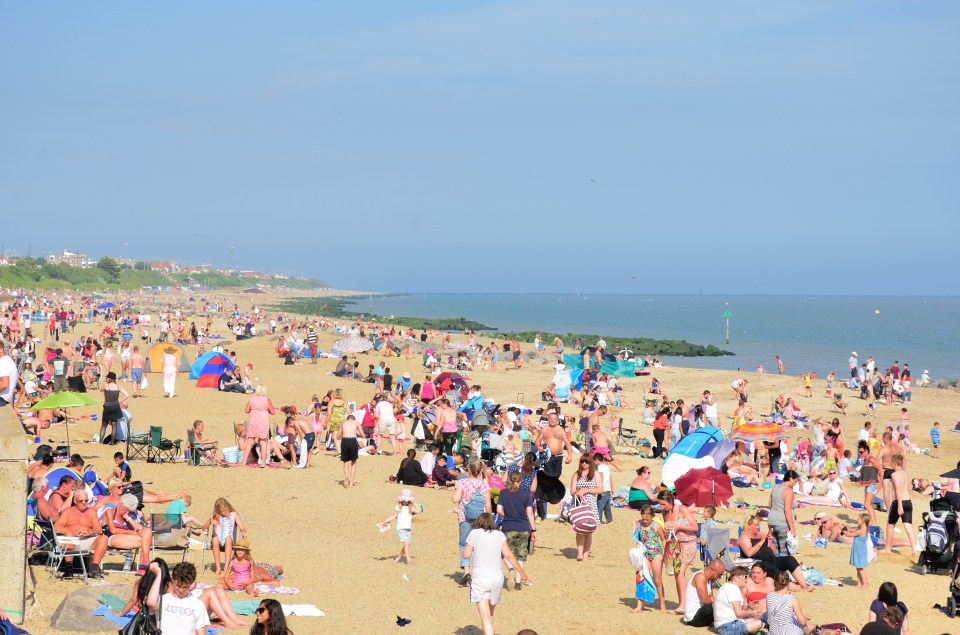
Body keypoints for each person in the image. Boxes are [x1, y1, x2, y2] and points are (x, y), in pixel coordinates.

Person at [461, 512, 531, 635]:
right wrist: (522, 573)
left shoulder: (474, 533)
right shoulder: (499, 535)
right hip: (497, 579)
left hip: (480, 579)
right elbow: (508, 555)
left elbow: (466, 554)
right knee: (490, 614)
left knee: (485, 617)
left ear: (478, 522)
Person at [738, 515, 810, 591]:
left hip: (772, 558)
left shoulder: (762, 534)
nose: (757, 527)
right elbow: (749, 553)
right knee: (777, 572)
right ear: (748, 526)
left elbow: (774, 552)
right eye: (755, 525)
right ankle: (798, 589)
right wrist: (762, 541)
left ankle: (804, 586)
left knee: (790, 560)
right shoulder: (744, 536)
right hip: (759, 562)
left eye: (758, 525)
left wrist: (770, 542)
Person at [453, 457, 491, 586]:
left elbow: (456, 499)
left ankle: (466, 570)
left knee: (464, 544)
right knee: (478, 546)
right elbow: (488, 504)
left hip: (465, 516)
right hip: (481, 517)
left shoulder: (462, 483)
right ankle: (476, 572)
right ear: (481, 470)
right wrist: (489, 518)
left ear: (468, 469)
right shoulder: (484, 484)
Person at [145, 561, 210, 635]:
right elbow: (150, 603)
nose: (181, 590)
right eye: (178, 585)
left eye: (185, 587)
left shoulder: (197, 604)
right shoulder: (164, 600)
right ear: (173, 580)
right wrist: (159, 575)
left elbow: (201, 631)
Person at [496, 471, 535, 591]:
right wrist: (533, 529)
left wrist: (506, 516)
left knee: (505, 554)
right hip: (523, 527)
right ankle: (518, 583)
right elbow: (529, 513)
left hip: (508, 527)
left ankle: (511, 569)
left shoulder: (503, 493)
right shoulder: (525, 494)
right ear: (520, 481)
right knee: (520, 555)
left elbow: (498, 510)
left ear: (508, 480)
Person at [53, 489, 105, 578]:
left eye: (86, 500)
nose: (84, 503)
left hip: (86, 540)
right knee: (69, 535)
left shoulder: (91, 511)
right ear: (75, 501)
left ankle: (93, 570)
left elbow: (99, 530)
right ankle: (69, 569)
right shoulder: (68, 511)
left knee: (104, 538)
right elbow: (56, 527)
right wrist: (72, 532)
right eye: (81, 501)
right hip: (70, 541)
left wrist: (90, 532)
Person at [879, 455, 918, 555]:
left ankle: (887, 549)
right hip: (908, 502)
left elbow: (897, 490)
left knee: (890, 525)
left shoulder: (894, 475)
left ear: (894, 463)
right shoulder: (906, 473)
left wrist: (899, 506)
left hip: (899, 502)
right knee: (908, 527)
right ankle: (914, 549)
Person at [632, 505, 666, 612]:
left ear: (653, 517)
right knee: (641, 578)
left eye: (647, 519)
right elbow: (637, 540)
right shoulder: (639, 525)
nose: (645, 521)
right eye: (643, 519)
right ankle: (639, 605)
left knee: (657, 580)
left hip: (656, 554)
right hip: (644, 554)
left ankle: (662, 605)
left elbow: (663, 539)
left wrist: (666, 554)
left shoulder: (656, 526)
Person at [714, 566, 765, 635]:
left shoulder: (730, 586)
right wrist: (753, 613)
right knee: (759, 623)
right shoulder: (732, 589)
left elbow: (737, 609)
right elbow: (739, 613)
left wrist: (749, 606)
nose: (747, 580)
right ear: (735, 578)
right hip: (727, 627)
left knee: (758, 622)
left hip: (730, 624)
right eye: (745, 577)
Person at [202, 498, 247, 576]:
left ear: (228, 507)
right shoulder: (215, 515)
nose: (222, 513)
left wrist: (243, 531)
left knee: (228, 539)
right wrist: (209, 521)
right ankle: (218, 567)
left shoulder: (233, 514)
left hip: (228, 539)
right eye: (220, 511)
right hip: (217, 539)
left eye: (224, 510)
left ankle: (226, 567)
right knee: (215, 539)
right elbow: (204, 528)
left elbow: (241, 527)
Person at [570, 455, 602, 562]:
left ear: (590, 463)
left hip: (591, 504)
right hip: (579, 503)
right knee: (580, 530)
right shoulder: (576, 474)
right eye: (582, 461)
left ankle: (586, 555)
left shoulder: (595, 474)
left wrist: (587, 490)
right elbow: (572, 490)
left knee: (589, 530)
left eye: (587, 462)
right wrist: (578, 492)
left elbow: (600, 489)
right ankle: (579, 554)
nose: (584, 464)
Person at [378, 488, 419, 565]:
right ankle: (408, 561)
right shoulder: (398, 506)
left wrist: (413, 503)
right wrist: (385, 521)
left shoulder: (411, 507)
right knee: (406, 545)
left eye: (407, 500)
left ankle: (399, 557)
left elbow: (418, 511)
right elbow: (394, 516)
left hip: (408, 529)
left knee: (407, 545)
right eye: (404, 500)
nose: (405, 501)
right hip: (400, 528)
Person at [683, 559, 726, 627]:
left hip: (701, 613)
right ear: (712, 571)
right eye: (719, 575)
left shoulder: (709, 580)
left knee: (722, 605)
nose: (720, 577)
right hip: (693, 618)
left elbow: (711, 597)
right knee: (720, 605)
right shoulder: (701, 576)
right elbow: (705, 600)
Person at [768, 470, 799, 556]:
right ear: (791, 478)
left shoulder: (776, 487)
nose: (795, 483)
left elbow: (770, 505)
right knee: (784, 550)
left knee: (775, 549)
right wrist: (792, 528)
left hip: (772, 520)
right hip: (782, 523)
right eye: (795, 481)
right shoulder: (788, 491)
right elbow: (787, 510)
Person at [242, 386, 275, 467]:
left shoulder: (252, 399)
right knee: (263, 443)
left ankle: (244, 462)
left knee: (249, 442)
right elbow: (273, 412)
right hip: (263, 422)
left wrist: (254, 410)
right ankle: (263, 463)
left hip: (253, 421)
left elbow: (246, 410)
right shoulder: (267, 400)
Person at [99, 371, 127, 444]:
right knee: (114, 424)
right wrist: (119, 401)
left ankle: (101, 441)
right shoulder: (118, 386)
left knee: (104, 424)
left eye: (107, 377)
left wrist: (105, 385)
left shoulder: (106, 386)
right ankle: (112, 442)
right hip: (115, 406)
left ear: (109, 378)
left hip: (107, 406)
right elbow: (127, 395)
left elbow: (100, 390)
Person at [338, 414, 364, 488]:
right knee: (353, 462)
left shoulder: (343, 423)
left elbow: (338, 436)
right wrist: (357, 432)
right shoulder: (356, 422)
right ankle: (351, 483)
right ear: (353, 419)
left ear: (347, 419)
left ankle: (346, 476)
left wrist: (342, 436)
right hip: (353, 440)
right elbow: (363, 435)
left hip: (345, 441)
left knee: (346, 462)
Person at [848, 513, 872, 589]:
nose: (857, 520)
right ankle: (859, 583)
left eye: (858, 519)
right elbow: (852, 529)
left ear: (863, 521)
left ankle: (865, 585)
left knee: (860, 569)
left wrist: (844, 531)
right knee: (858, 568)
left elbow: (849, 535)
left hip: (860, 552)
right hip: (857, 550)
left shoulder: (862, 531)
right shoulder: (859, 528)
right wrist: (845, 527)